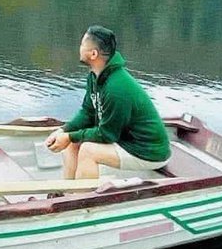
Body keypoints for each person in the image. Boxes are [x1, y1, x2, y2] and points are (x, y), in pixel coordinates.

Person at [45, 27, 171, 179]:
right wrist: (64, 130)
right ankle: (66, 196)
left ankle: (82, 200)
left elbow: (107, 135)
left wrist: (70, 136)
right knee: (72, 144)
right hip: (125, 141)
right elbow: (88, 112)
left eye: (82, 44)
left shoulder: (117, 87)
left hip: (148, 151)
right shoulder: (94, 77)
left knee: (88, 151)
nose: (79, 48)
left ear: (93, 54)